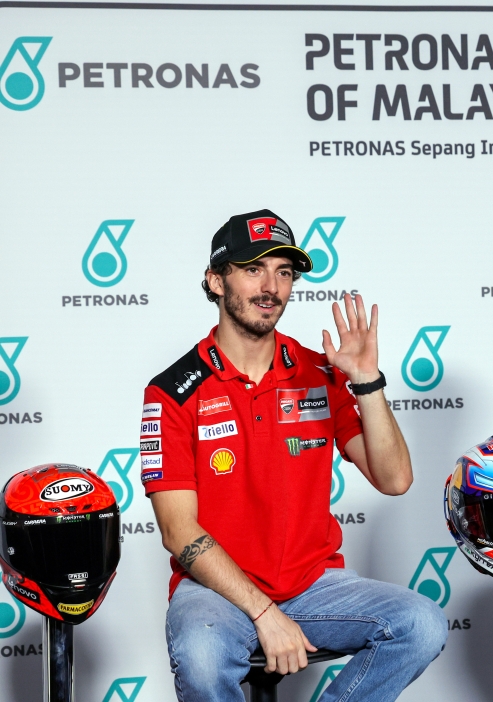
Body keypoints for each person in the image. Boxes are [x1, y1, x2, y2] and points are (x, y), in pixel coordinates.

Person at [140, 209, 447, 702]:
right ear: (216, 280)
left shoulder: (318, 373)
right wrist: (264, 613)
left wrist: (365, 381)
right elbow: (179, 532)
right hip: (216, 592)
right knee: (201, 656)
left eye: (284, 272)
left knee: (421, 624)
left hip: (311, 585)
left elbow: (394, 480)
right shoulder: (173, 392)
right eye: (253, 269)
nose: (271, 286)